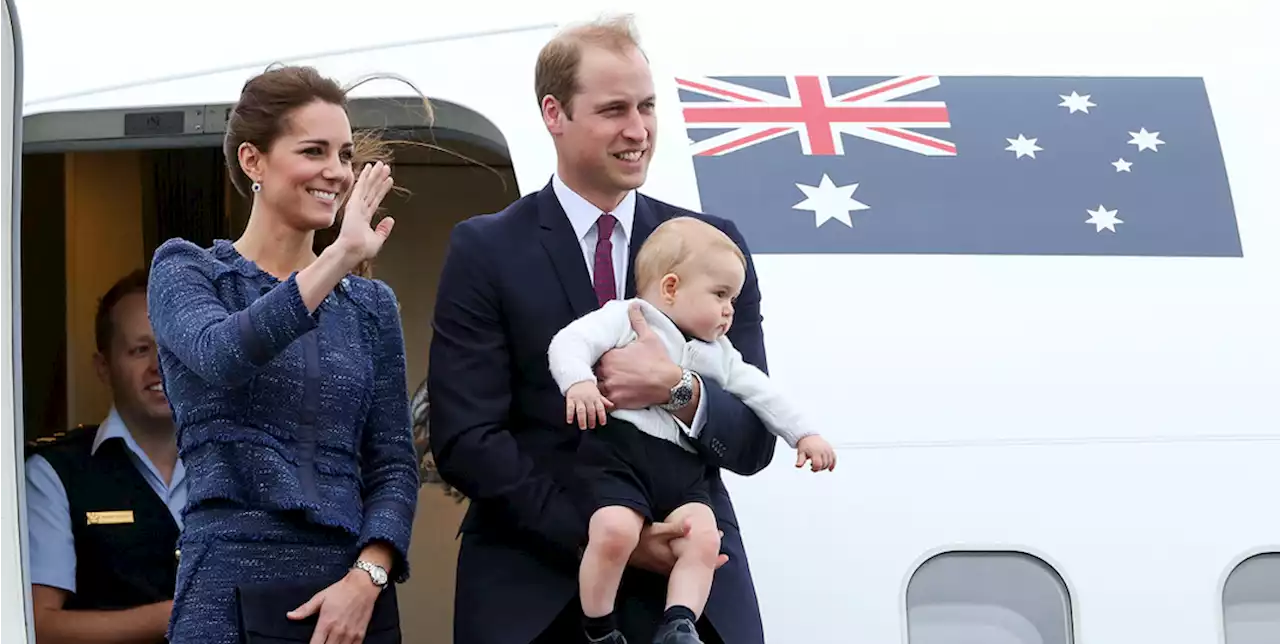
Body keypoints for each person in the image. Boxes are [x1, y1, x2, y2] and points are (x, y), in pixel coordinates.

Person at [428, 14, 777, 644]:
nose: (638, 130)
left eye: (647, 106)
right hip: (537, 593)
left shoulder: (714, 246)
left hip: (691, 601)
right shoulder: (486, 249)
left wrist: (679, 389)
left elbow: (754, 440)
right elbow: (466, 439)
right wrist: (611, 534)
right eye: (614, 109)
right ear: (554, 113)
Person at [146, 64, 419, 644]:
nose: (335, 172)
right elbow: (222, 354)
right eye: (314, 151)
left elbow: (394, 464)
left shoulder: (370, 305)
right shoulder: (188, 270)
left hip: (350, 602)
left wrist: (367, 578)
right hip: (226, 592)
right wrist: (338, 258)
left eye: (345, 155)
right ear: (253, 162)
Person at [548, 216, 837, 643]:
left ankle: (679, 623)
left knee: (704, 538)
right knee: (614, 530)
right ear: (670, 288)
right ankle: (600, 628)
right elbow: (569, 343)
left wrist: (804, 434)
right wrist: (579, 382)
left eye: (734, 299)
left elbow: (762, 394)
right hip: (619, 460)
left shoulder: (720, 354)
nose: (729, 310)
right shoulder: (626, 317)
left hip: (682, 472)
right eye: (720, 295)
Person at [24, 269, 187, 644]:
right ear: (104, 368)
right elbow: (39, 625)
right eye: (140, 349)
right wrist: (173, 616)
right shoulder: (54, 474)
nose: (158, 366)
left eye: (171, 347)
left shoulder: (227, 462)